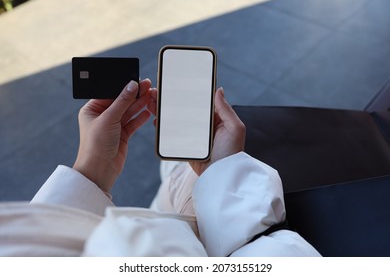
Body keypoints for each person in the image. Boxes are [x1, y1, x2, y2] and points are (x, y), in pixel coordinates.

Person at [0, 79, 320, 257]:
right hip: (210, 239)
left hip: (163, 226)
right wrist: (224, 170)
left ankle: (175, 167)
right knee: (184, 172)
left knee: (174, 181)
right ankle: (178, 165)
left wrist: (91, 170)